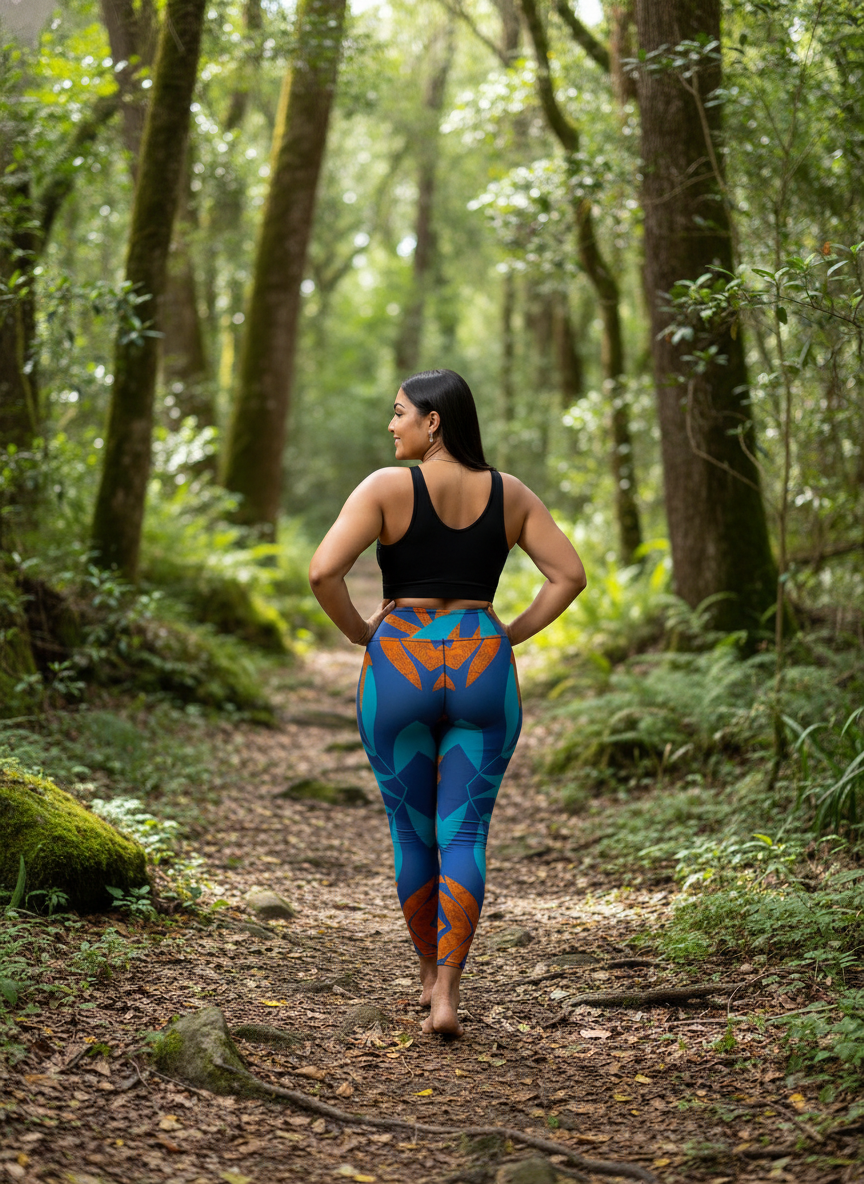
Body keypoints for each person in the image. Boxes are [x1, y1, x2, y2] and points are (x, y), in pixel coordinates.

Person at [309, 368, 586, 1036]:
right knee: (464, 832)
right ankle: (447, 999)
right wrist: (507, 633)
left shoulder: (385, 488)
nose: (391, 424)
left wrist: (360, 634)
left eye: (400, 412)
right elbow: (569, 575)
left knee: (412, 832)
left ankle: (428, 976)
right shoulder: (511, 494)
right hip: (481, 664)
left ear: (434, 420)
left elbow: (323, 571)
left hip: (399, 664)